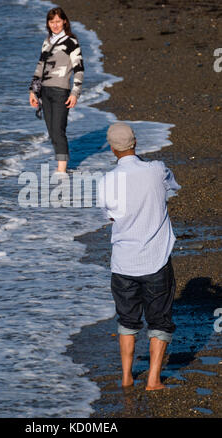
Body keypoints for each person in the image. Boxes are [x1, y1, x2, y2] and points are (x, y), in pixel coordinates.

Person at [98, 122, 181, 391]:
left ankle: (126, 377)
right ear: (135, 143)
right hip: (155, 259)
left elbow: (109, 216)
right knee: (159, 320)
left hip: (123, 262)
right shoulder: (156, 170)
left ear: (112, 149)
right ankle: (154, 379)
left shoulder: (107, 180)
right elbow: (173, 186)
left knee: (127, 320)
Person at [29, 7, 84, 174]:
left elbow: (79, 69)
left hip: (61, 92)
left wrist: (75, 93)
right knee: (52, 132)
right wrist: (33, 92)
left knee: (59, 130)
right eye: (52, 22)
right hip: (44, 92)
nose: (55, 25)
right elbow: (39, 68)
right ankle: (62, 166)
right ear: (48, 23)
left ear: (64, 22)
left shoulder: (71, 42)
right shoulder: (47, 42)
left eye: (58, 21)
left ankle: (61, 171)